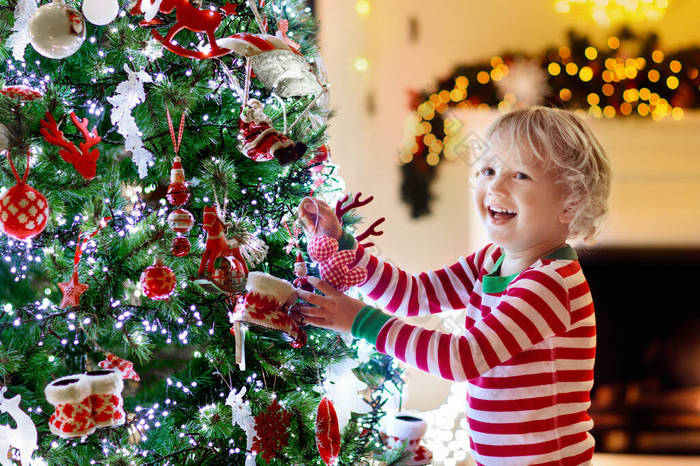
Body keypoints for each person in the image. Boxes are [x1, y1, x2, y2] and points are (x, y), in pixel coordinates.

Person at [295, 106, 611, 465]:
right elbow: (413, 295)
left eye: (520, 175)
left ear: (569, 204)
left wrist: (360, 321)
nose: (495, 185)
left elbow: (461, 358)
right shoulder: (490, 261)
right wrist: (345, 245)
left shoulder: (552, 284)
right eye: (489, 170)